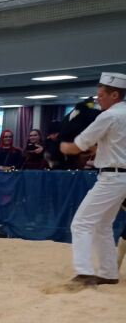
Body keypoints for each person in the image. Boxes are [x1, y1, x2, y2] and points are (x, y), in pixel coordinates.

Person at [59, 71, 126, 287]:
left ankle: (84, 273)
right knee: (103, 225)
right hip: (121, 176)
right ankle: (108, 272)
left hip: (112, 177)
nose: (98, 99)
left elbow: (80, 144)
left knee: (81, 223)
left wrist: (65, 147)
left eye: (101, 95)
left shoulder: (109, 116)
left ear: (115, 95)